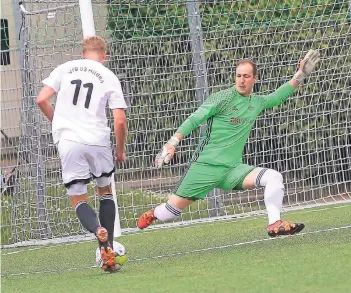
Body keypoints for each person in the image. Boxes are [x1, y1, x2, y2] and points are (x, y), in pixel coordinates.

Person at [138, 49, 320, 237]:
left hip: (232, 170)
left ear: (255, 79)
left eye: (246, 76)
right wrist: (173, 142)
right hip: (205, 167)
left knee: (273, 177)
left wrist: (301, 74)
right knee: (169, 213)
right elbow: (194, 119)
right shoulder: (222, 98)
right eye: (238, 76)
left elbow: (277, 96)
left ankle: (275, 223)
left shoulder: (256, 102)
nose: (241, 80)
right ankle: (153, 213)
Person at [37, 36, 127, 272]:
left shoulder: (65, 69)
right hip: (98, 140)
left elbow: (41, 99)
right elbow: (119, 120)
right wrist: (119, 150)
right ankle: (106, 246)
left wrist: (59, 123)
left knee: (78, 197)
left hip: (69, 141)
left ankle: (97, 231)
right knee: (105, 191)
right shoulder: (108, 76)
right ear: (104, 56)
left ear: (83, 53)